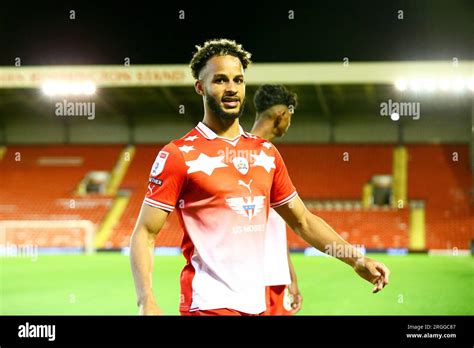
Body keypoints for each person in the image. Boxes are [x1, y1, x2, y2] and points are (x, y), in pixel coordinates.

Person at [130, 39, 390, 316]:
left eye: (238, 80)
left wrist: (356, 259)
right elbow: (145, 232)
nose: (231, 88)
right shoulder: (179, 154)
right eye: (220, 80)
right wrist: (146, 300)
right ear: (200, 87)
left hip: (256, 305)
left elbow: (303, 221)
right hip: (208, 304)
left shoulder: (266, 153)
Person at [251, 85, 301, 315]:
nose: (290, 123)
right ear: (281, 115)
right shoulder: (243, 156)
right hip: (252, 281)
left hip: (275, 278)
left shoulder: (270, 158)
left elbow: (275, 227)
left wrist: (290, 275)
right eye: (290, 115)